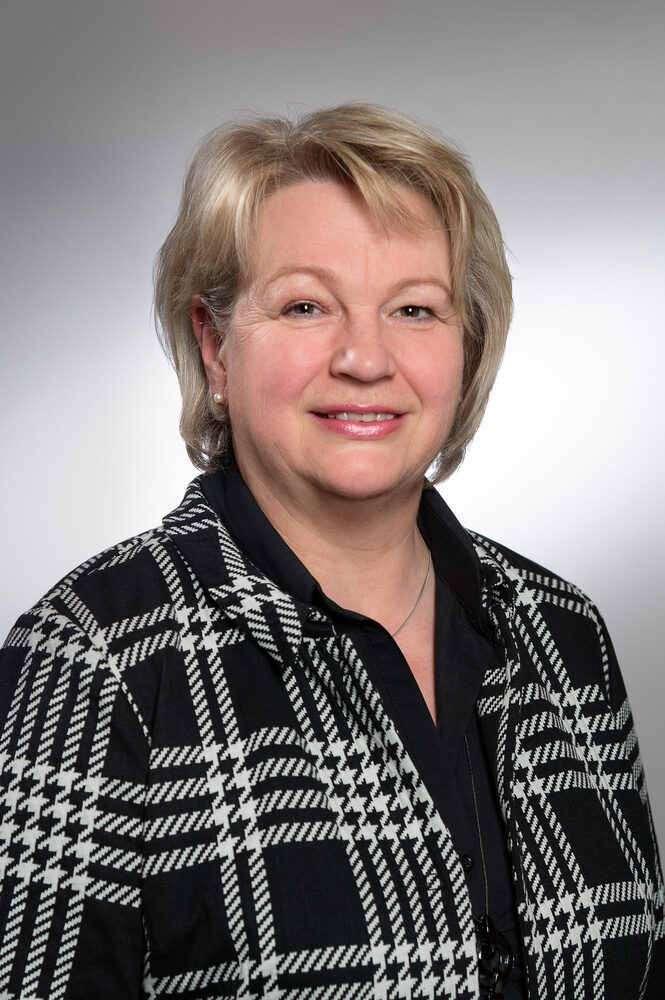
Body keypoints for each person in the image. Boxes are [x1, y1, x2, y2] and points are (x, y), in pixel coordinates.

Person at [0, 103, 662, 1000]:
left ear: (466, 349)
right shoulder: (91, 660)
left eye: (414, 309)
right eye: (305, 306)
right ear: (215, 346)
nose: (364, 357)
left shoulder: (563, 632)